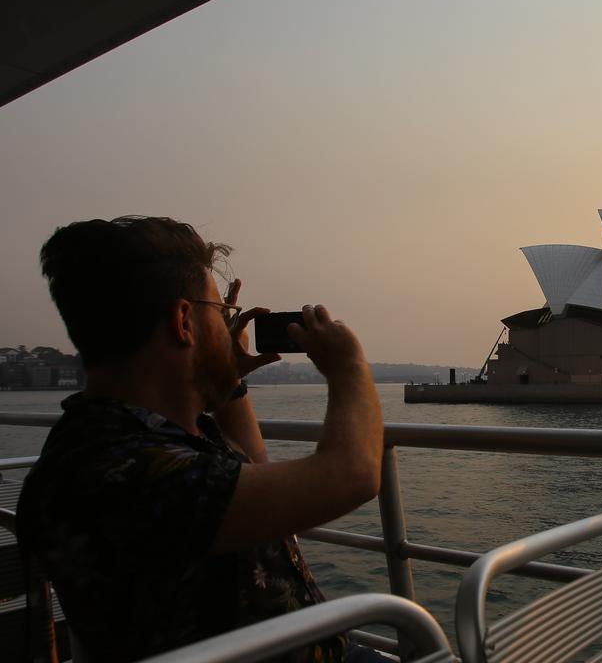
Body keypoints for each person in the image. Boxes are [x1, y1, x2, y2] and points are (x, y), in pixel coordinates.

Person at [17, 216, 385, 662]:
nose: (227, 326)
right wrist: (349, 367)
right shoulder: (132, 473)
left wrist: (225, 374)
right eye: (220, 313)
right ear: (184, 320)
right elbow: (354, 474)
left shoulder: (122, 441)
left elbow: (251, 472)